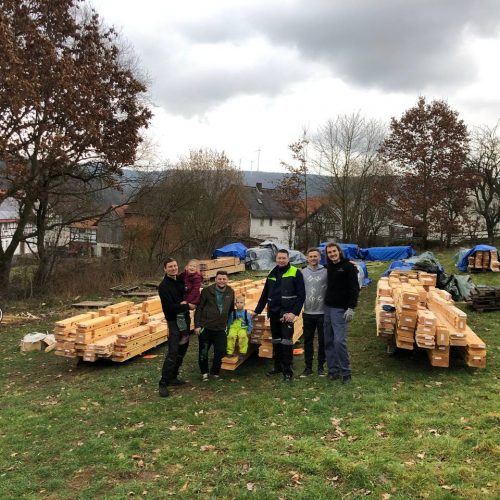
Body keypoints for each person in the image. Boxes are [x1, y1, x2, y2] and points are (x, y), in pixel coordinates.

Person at [253, 249, 305, 381]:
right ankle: (278, 366)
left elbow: (301, 296)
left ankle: (287, 371)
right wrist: (257, 311)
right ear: (276, 259)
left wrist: (294, 313)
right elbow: (265, 294)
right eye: (279, 258)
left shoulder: (295, 272)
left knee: (287, 342)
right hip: (274, 313)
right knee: (276, 341)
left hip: (287, 314)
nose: (281, 260)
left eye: (284, 258)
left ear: (288, 259)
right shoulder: (272, 273)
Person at [158, 258, 196, 398]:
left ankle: (173, 377)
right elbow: (169, 308)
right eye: (170, 266)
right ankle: (163, 382)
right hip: (174, 322)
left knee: (182, 350)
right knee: (173, 352)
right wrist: (187, 306)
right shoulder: (164, 286)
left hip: (184, 320)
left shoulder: (180, 281)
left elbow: (190, 291)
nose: (173, 268)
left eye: (175, 265)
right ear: (165, 269)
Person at [323, 242, 359, 384]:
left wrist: (351, 307)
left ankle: (346, 372)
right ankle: (333, 370)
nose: (332, 254)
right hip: (327, 308)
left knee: (339, 341)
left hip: (340, 310)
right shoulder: (329, 266)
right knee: (328, 341)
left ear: (339, 251)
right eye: (329, 252)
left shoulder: (349, 267)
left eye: (334, 251)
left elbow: (354, 288)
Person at [195, 270, 235, 381]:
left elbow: (231, 309)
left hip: (220, 328)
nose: (222, 281)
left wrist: (230, 324)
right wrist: (197, 325)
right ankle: (204, 373)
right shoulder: (207, 291)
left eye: (224, 279)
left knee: (221, 350)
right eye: (219, 279)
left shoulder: (230, 292)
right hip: (206, 327)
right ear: (216, 279)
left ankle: (215, 372)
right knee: (203, 351)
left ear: (227, 280)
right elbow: (199, 308)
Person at [300, 248, 327, 378]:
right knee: (308, 341)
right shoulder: (302, 272)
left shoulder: (326, 271)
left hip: (322, 312)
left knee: (322, 341)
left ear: (319, 257)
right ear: (307, 258)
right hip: (308, 312)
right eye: (310, 256)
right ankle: (308, 367)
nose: (313, 258)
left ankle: (321, 367)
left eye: (315, 256)